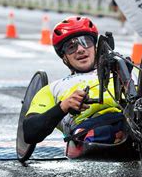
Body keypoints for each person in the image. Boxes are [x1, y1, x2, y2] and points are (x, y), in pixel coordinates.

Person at [23, 16, 126, 146]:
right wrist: (63, 106)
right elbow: (29, 132)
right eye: (71, 47)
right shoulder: (52, 89)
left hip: (132, 119)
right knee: (98, 131)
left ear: (96, 47)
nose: (80, 49)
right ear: (64, 58)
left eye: (86, 42)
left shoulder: (123, 71)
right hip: (91, 127)